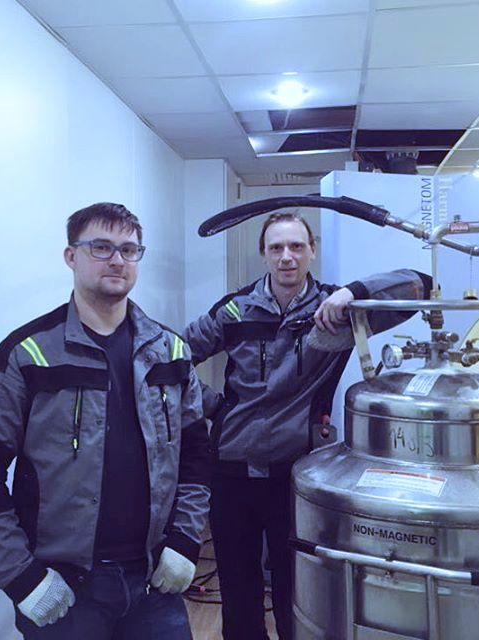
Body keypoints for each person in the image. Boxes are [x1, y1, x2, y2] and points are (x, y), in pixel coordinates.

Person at [0, 202, 211, 639]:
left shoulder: (170, 351)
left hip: (153, 581)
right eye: (101, 247)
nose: (117, 260)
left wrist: (185, 540)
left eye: (129, 249)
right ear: (71, 256)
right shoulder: (28, 355)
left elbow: (196, 458)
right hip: (65, 589)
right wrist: (21, 577)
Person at [183, 211, 432, 640]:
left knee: (296, 591)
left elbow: (420, 285)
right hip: (231, 470)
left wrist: (352, 292)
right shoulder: (234, 310)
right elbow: (173, 357)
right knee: (239, 592)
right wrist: (215, 408)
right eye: (276, 248)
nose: (287, 257)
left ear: (312, 251)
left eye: (296, 246)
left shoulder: (337, 310)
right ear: (263, 254)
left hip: (297, 477)